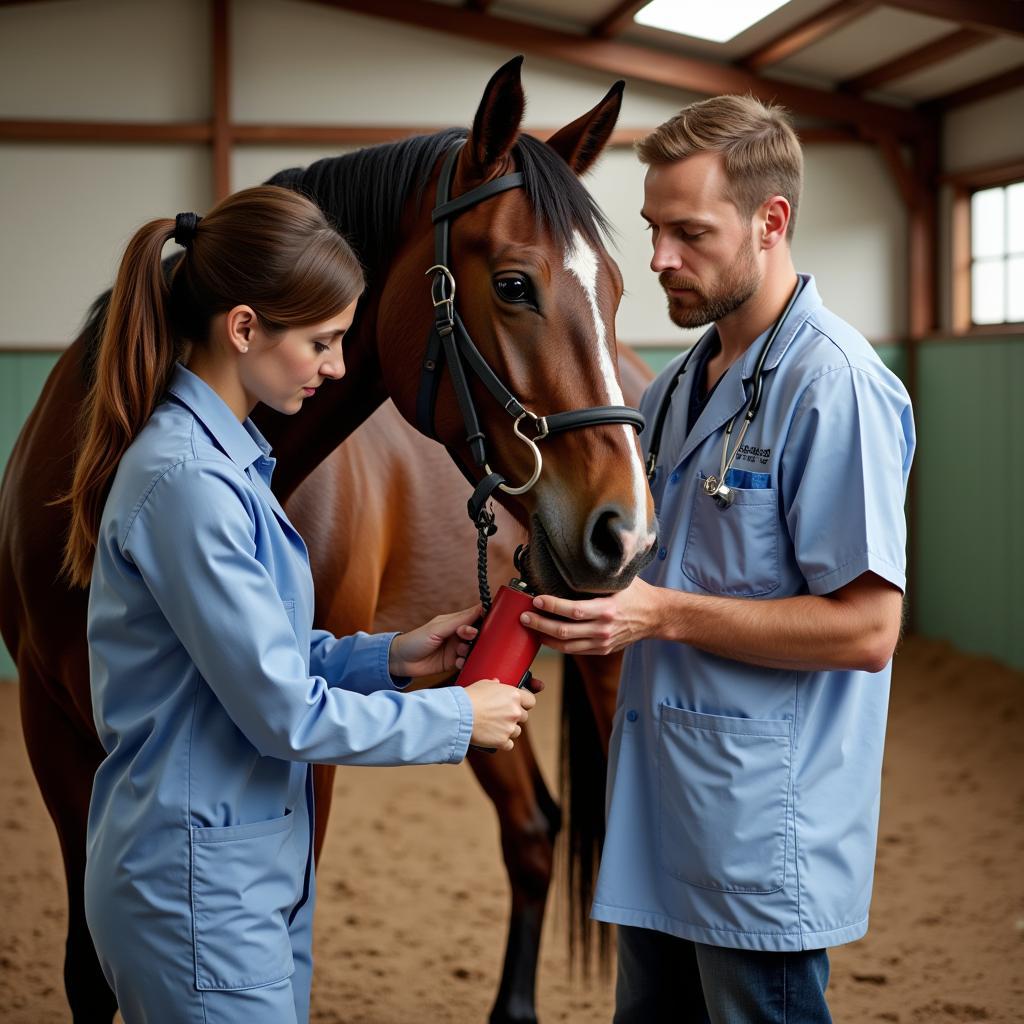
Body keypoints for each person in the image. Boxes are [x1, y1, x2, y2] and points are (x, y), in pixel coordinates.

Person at [63, 185, 535, 1024]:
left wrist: (390, 656)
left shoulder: (229, 464)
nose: (339, 367)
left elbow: (257, 658)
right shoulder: (190, 485)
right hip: (196, 890)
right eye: (322, 341)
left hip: (244, 871)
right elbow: (281, 712)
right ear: (244, 329)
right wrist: (458, 720)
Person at [520, 97, 915, 1023]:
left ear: (771, 222)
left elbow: (867, 627)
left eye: (689, 232)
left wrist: (659, 614)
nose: (659, 257)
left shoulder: (834, 387)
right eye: (655, 229)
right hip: (658, 816)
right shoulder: (669, 394)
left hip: (756, 836)